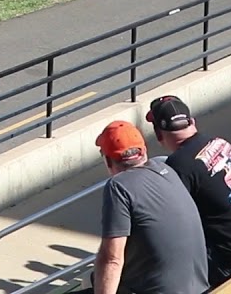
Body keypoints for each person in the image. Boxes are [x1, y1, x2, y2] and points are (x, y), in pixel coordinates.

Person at [148, 96, 231, 286]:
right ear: (192, 122)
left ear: (159, 135)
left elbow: (171, 224)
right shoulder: (219, 142)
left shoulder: (180, 164)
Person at [69, 121, 208, 294]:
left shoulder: (119, 186)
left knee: (93, 278)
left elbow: (112, 259)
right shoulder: (166, 169)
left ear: (108, 161)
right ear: (144, 151)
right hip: (198, 287)